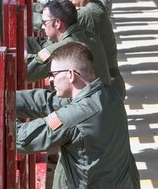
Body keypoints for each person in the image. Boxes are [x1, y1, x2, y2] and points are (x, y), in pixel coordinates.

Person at [17, 42, 140, 188]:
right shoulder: (109, 94)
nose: (50, 79)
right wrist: (3, 97)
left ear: (70, 75)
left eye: (53, 74)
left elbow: (21, 139)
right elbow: (49, 102)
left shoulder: (76, 116)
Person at [69, 0, 126, 98]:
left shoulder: (87, 13)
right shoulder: (95, 7)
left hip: (104, 88)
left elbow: (61, 25)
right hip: (109, 84)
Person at [27, 0, 111, 85]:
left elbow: (27, 72)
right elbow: (48, 45)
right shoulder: (89, 36)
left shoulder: (63, 49)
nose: (43, 27)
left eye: (44, 22)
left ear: (57, 23)